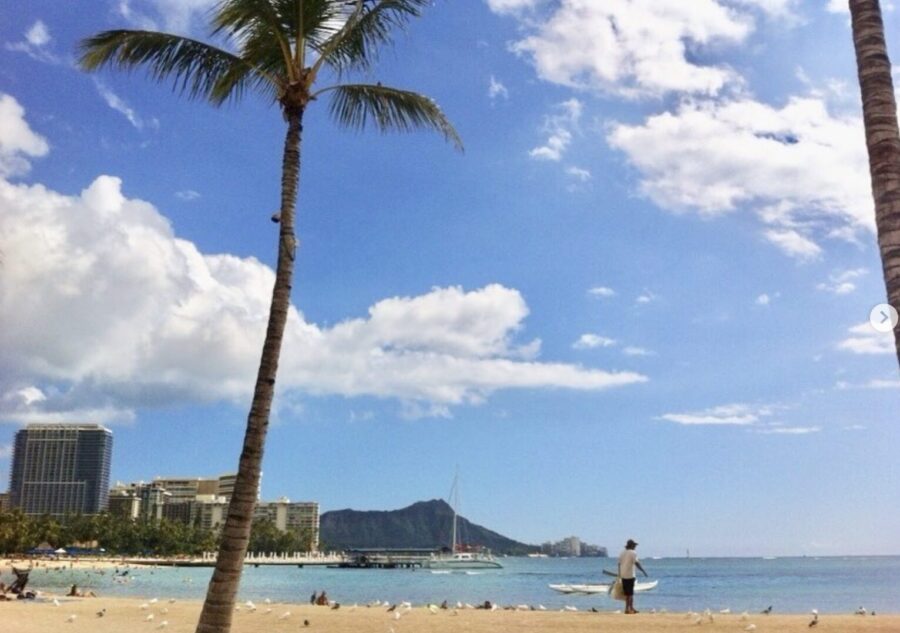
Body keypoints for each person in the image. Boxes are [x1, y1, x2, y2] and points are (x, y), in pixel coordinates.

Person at [617, 539, 647, 614]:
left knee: (629, 593)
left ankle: (631, 608)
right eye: (634, 545)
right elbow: (636, 563)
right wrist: (643, 570)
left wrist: (619, 574)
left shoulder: (622, 553)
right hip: (630, 575)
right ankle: (627, 609)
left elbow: (619, 564)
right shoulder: (633, 553)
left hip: (623, 575)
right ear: (631, 545)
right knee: (629, 594)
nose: (635, 546)